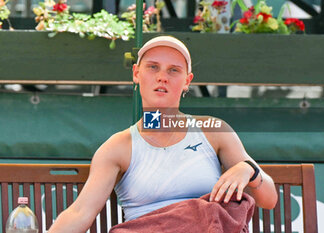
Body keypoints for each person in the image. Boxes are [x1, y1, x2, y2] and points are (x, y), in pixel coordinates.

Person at [48, 36, 277, 232]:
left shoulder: (213, 130)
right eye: (153, 67)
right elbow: (80, 213)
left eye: (174, 70)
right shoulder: (118, 147)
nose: (162, 77)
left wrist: (248, 169)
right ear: (136, 74)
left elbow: (269, 199)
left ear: (187, 81)